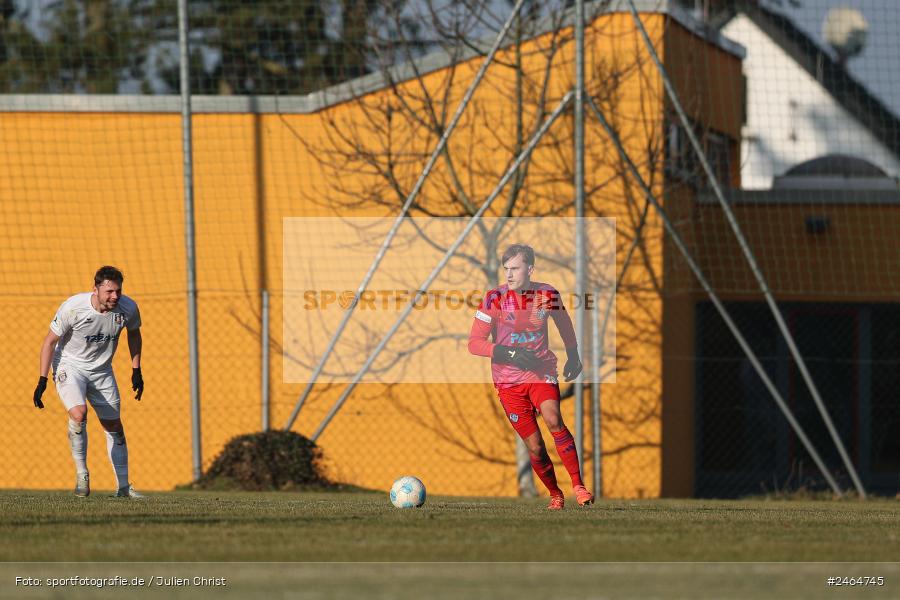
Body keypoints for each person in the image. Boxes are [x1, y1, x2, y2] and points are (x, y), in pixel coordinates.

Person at [468, 244, 593, 510]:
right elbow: (474, 343)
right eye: (506, 269)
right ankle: (555, 494)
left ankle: (578, 486)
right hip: (507, 382)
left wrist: (573, 355)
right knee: (535, 447)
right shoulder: (494, 299)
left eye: (515, 268)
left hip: (541, 372)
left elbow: (564, 323)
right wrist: (506, 353)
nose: (510, 274)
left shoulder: (547, 294)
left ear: (530, 269)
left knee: (553, 418)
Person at [32, 266, 145, 498]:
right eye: (109, 291)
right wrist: (42, 380)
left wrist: (137, 370)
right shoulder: (73, 308)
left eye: (118, 291)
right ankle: (82, 474)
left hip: (102, 371)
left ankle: (123, 488)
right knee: (79, 414)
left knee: (114, 426)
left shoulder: (128, 308)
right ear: (95, 289)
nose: (115, 296)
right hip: (70, 367)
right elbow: (49, 342)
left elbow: (134, 334)